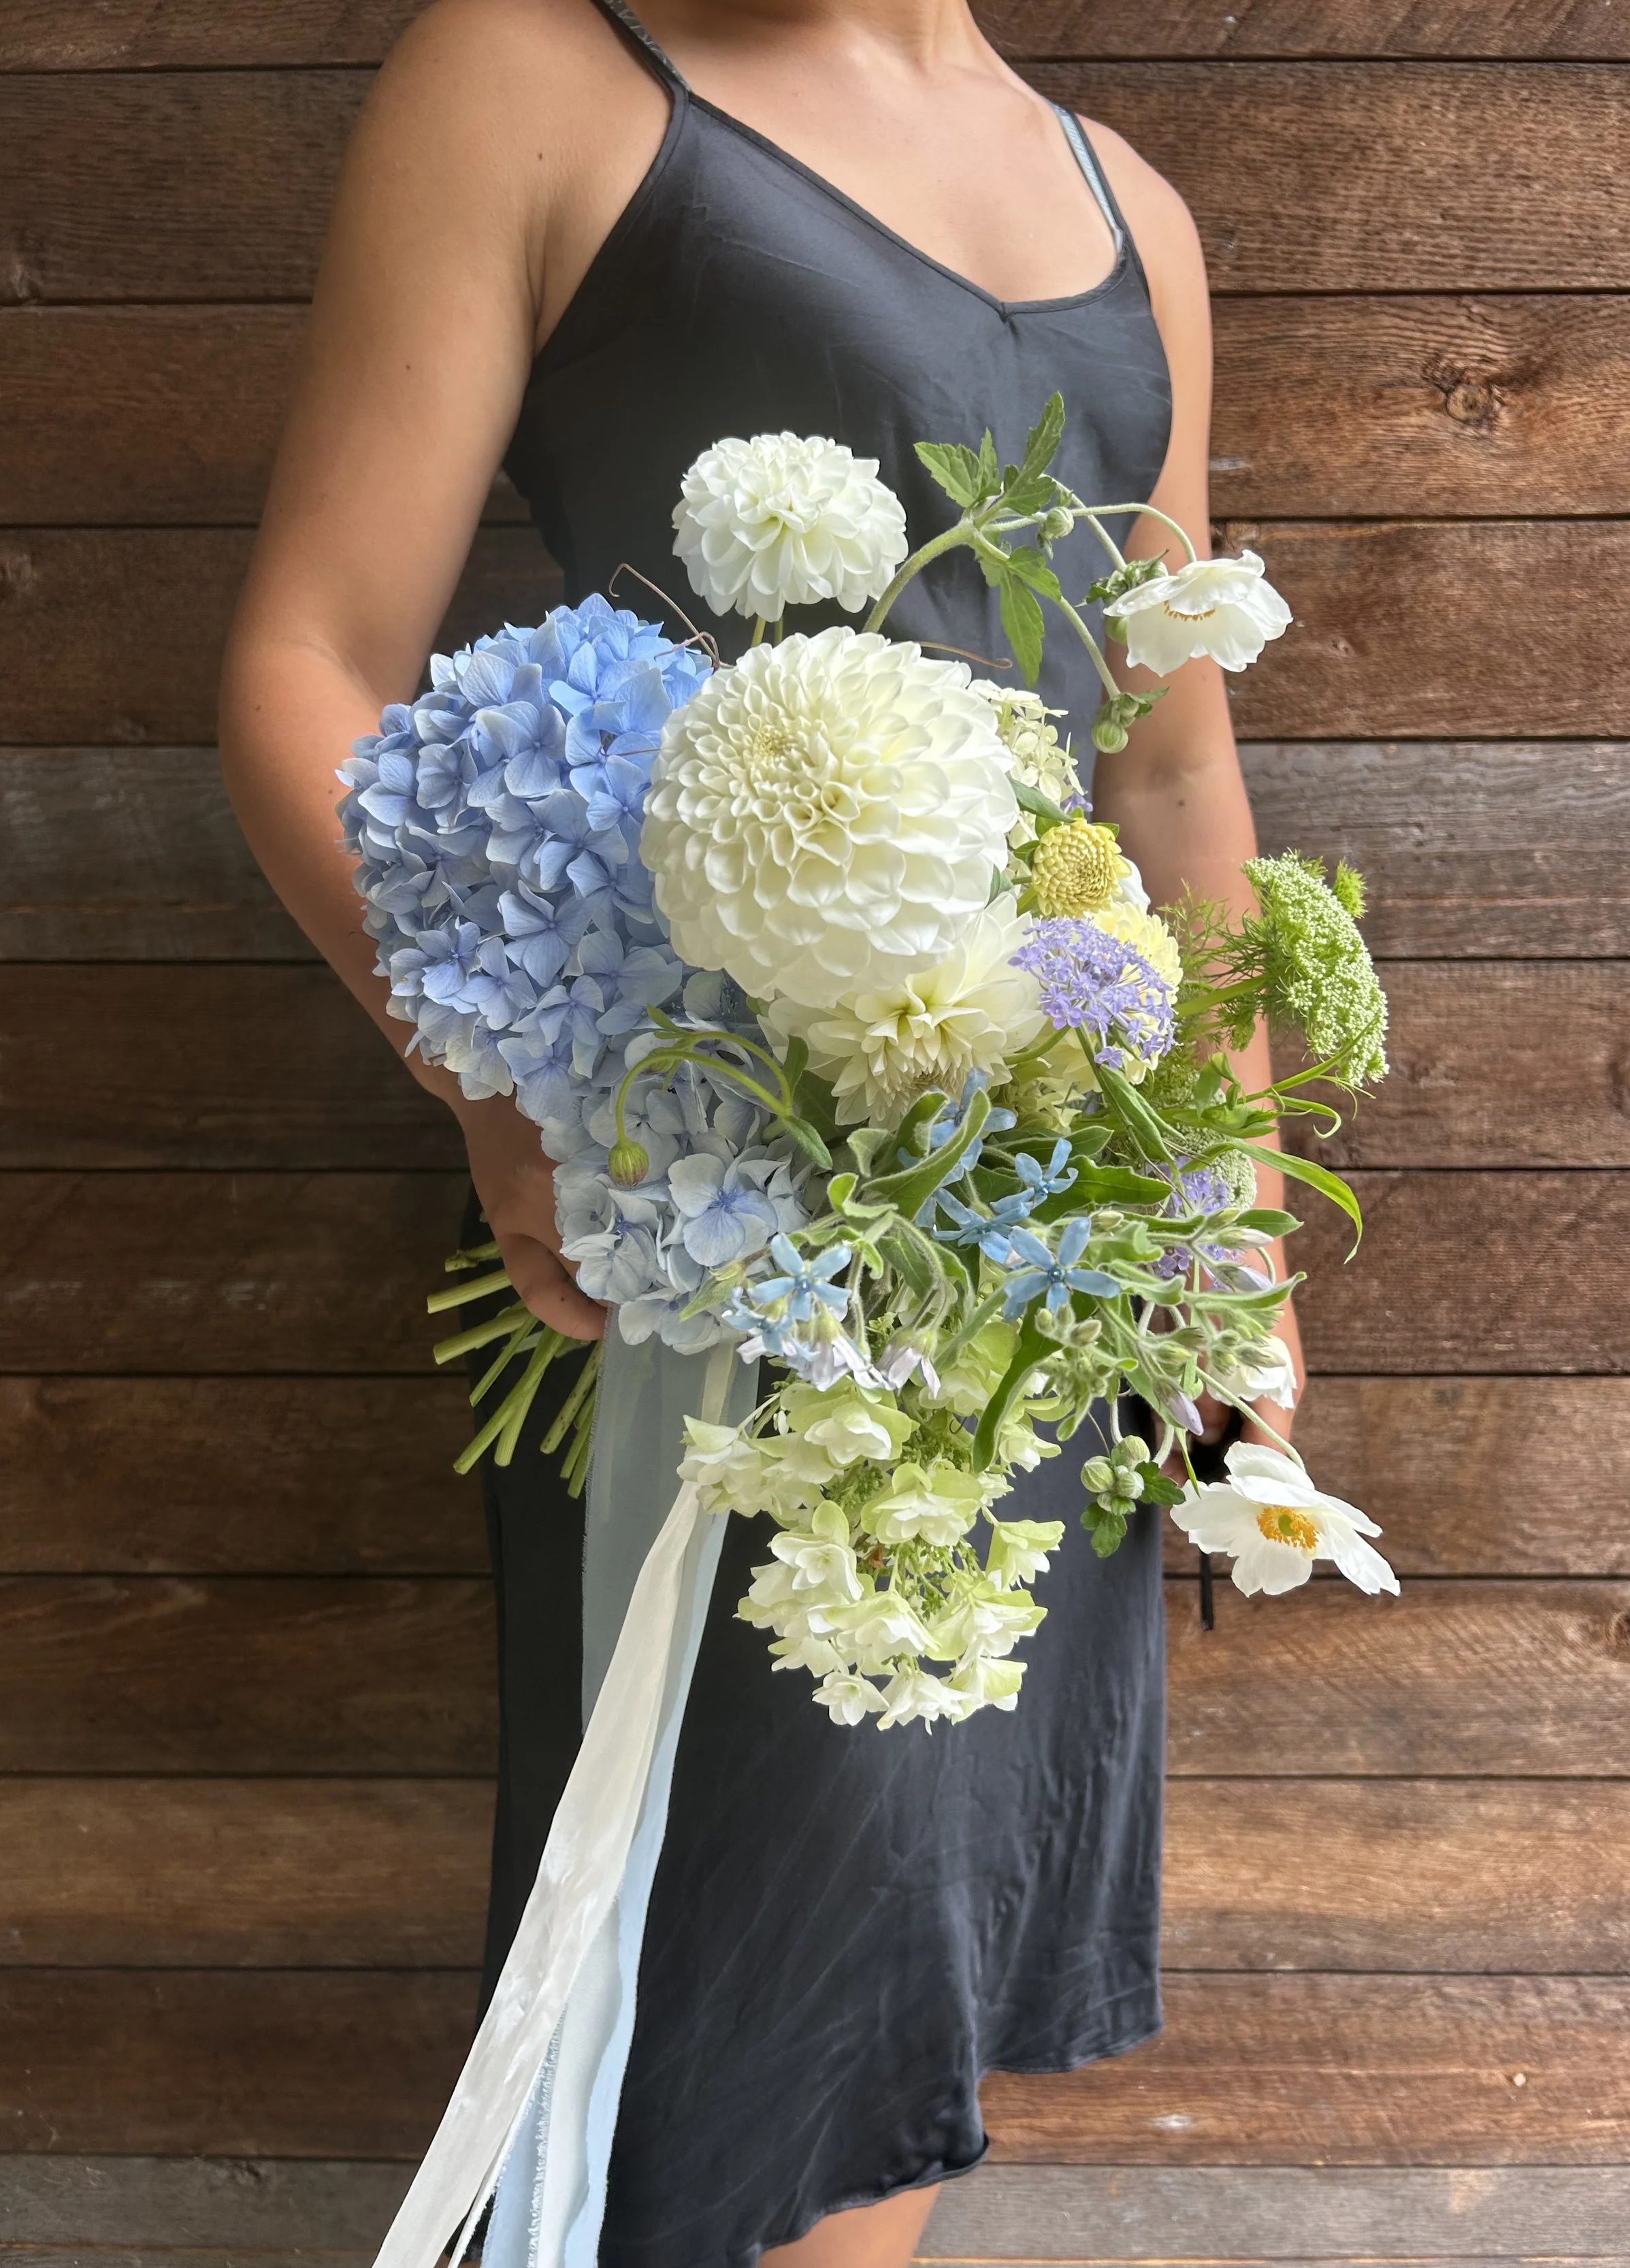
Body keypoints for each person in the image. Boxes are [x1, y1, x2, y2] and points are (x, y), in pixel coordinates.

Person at [219, 3, 1305, 2263]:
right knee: (719, 2001)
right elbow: (310, 659)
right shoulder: (537, 77)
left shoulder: (1130, 211)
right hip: (711, 1211)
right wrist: (509, 1092)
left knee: (887, 2020)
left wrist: (1236, 1235)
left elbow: (1168, 766)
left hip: (1045, 1243)